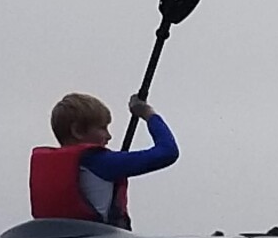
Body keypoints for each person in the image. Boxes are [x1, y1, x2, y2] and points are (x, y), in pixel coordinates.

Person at [29, 92, 179, 229]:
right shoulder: (101, 162)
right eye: (102, 128)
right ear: (78, 131)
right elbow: (168, 152)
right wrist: (148, 113)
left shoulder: (55, 169)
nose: (109, 136)